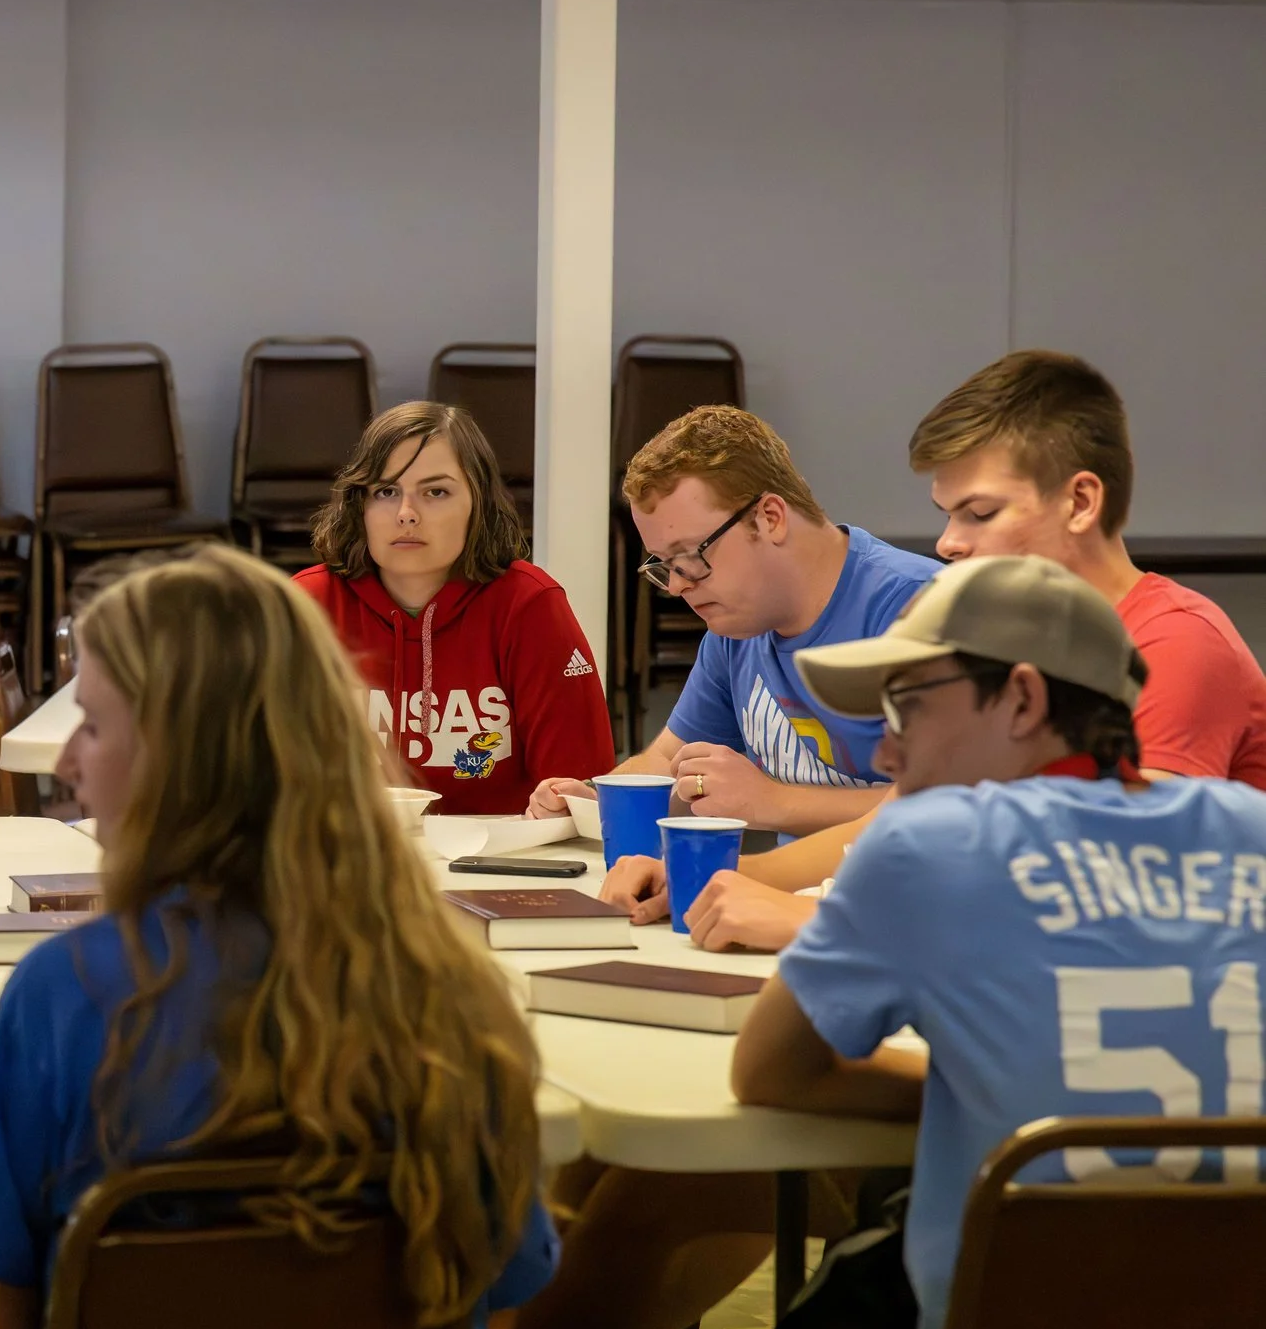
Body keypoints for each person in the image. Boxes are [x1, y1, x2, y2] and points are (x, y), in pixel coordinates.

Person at [0, 546, 558, 1329]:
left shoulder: (64, 993)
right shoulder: (458, 996)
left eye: (94, 727)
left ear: (177, 761)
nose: (67, 762)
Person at [720, 554, 1266, 1329]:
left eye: (907, 706)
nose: (887, 753)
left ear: (1021, 697)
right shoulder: (1253, 827)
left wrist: (978, 1101)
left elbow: (769, 1071)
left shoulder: (928, 845)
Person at [603, 351, 1266, 953]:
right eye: (947, 514)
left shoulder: (1173, 644)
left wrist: (816, 920)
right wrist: (715, 882)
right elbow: (898, 822)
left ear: (1081, 502)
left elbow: (1112, 892)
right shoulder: (1002, 649)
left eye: (979, 513)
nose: (947, 543)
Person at [528, 406, 940, 835]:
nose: (676, 586)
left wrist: (773, 801)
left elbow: (954, 807)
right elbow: (666, 763)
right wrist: (594, 802)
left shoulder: (918, 609)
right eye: (664, 564)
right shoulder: (739, 627)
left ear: (770, 518)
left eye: (690, 555)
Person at [290, 402, 612, 812]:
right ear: (360, 505)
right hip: (349, 847)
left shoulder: (530, 604)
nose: (406, 514)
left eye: (435, 492)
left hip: (506, 849)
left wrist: (562, 802)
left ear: (478, 503)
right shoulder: (308, 605)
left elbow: (581, 789)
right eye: (386, 491)